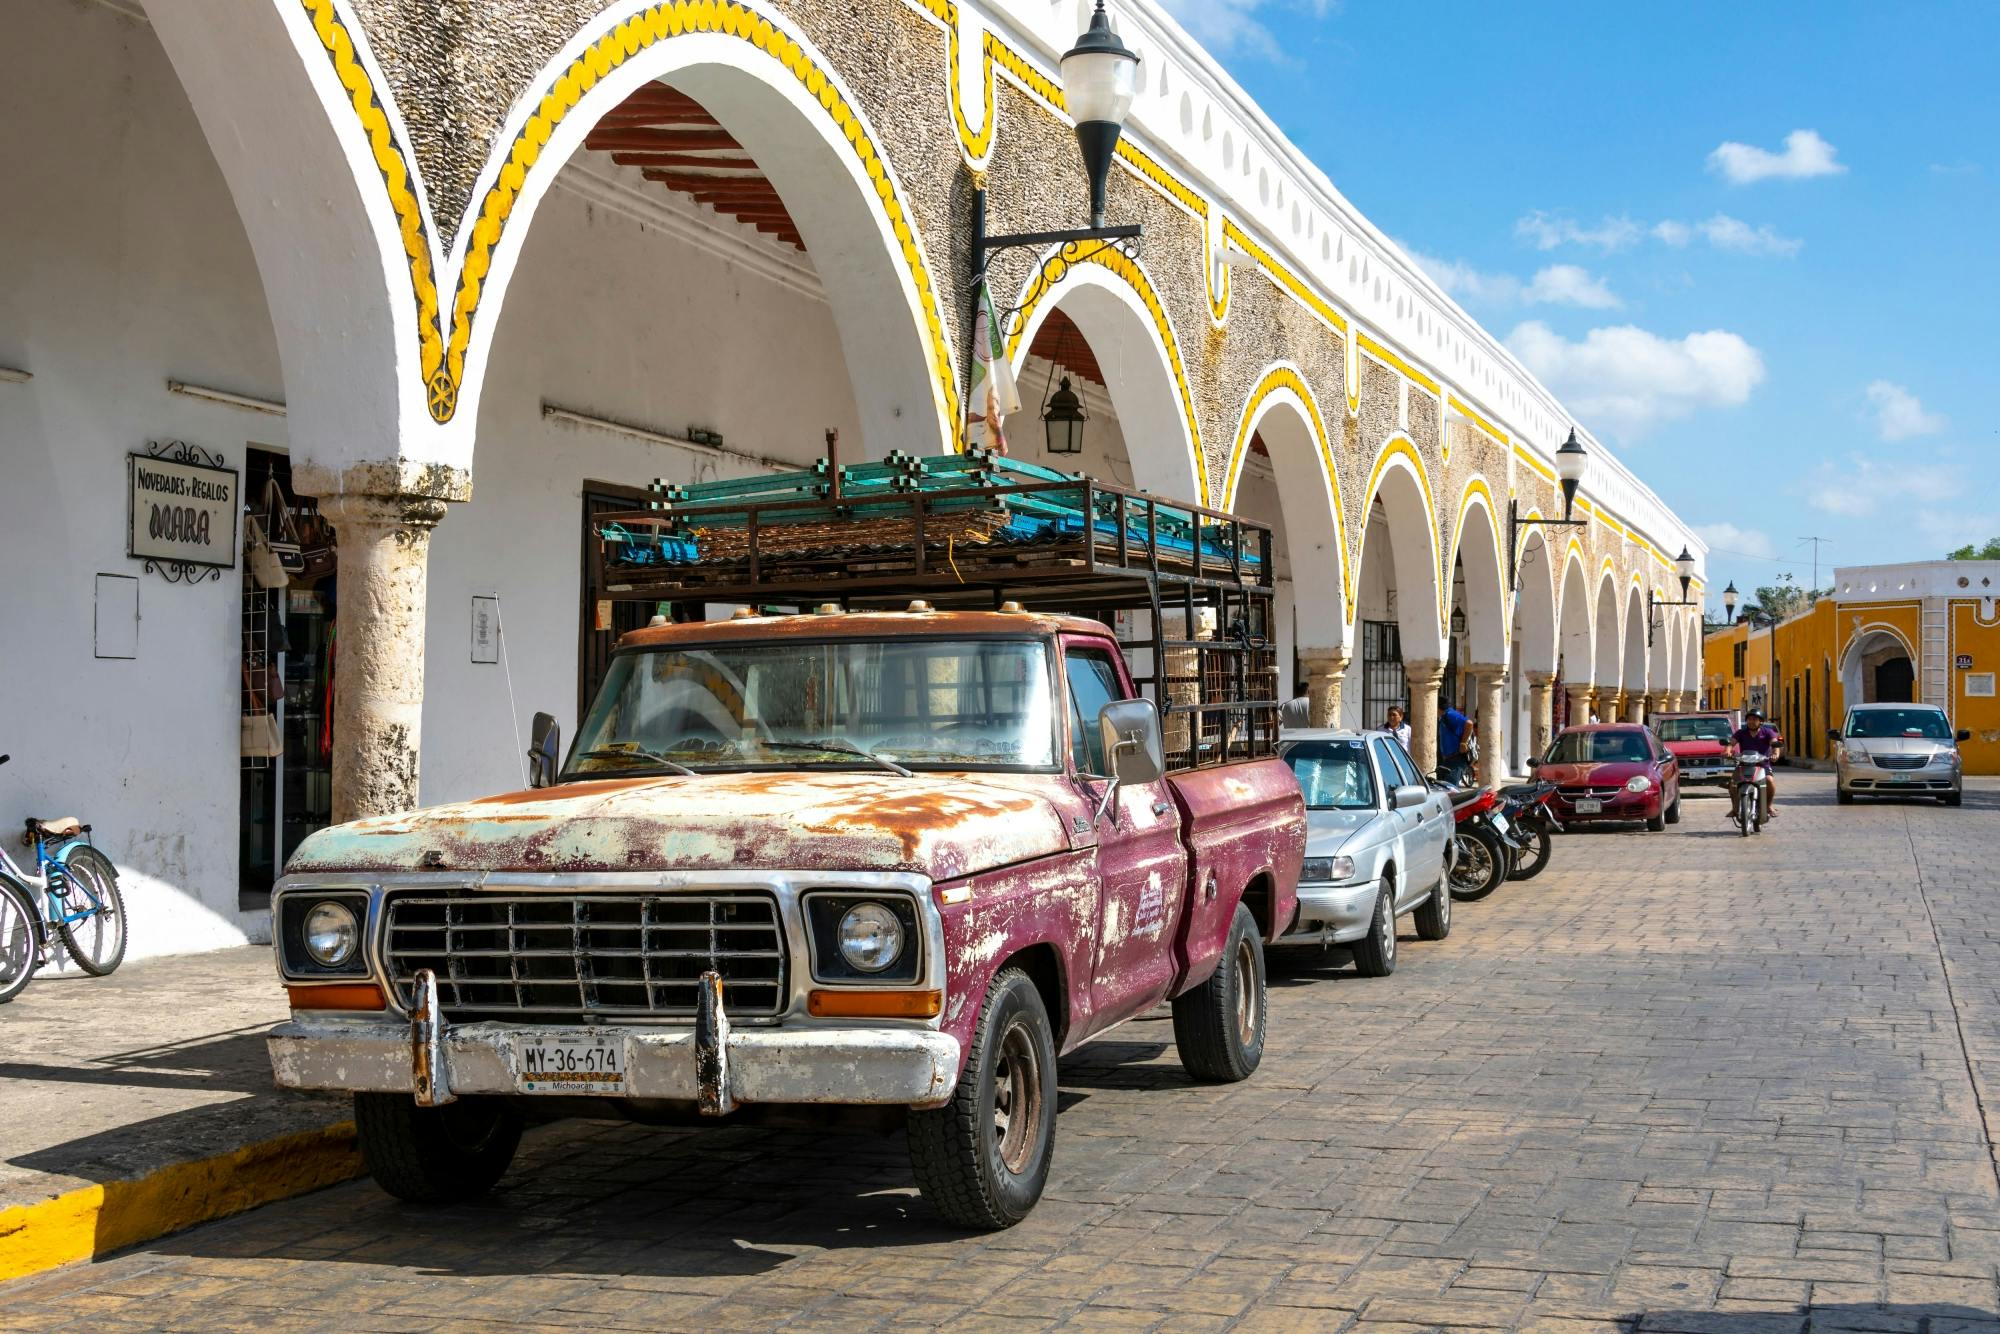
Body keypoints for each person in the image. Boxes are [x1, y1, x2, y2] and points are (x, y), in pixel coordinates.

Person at [1729, 707, 1783, 820]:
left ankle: (1768, 806)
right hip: (1744, 765)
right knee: (1733, 782)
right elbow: (1731, 743)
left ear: (1761, 721)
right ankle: (1735, 808)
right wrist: (1727, 751)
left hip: (1763, 765)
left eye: (1754, 719)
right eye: (1749, 719)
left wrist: (1775, 754)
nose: (1751, 722)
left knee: (1769, 781)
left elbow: (1774, 744)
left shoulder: (1768, 732)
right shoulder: (1741, 733)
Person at [1437, 698, 1476, 785]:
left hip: (1456, 758)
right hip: (1449, 759)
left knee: (1451, 789)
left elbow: (1469, 723)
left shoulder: (1449, 714)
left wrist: (1463, 742)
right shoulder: (1444, 716)